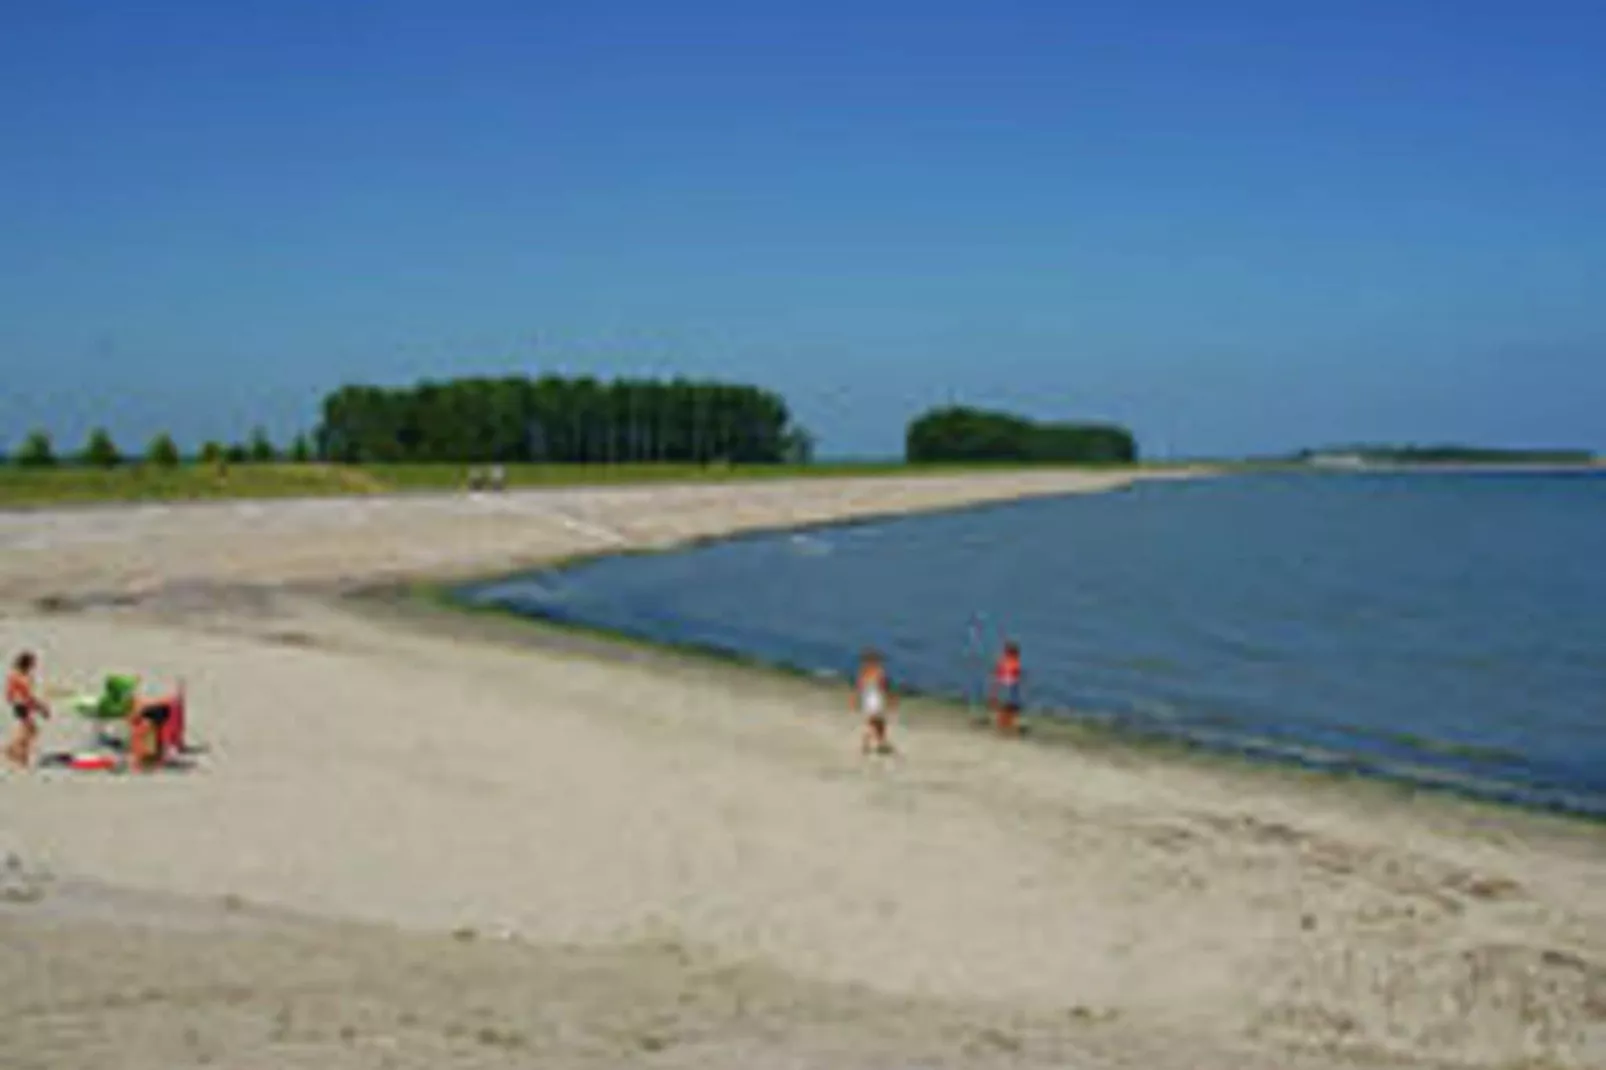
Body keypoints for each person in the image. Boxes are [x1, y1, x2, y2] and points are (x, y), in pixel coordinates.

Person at [5, 651, 51, 768]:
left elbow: (11, 693)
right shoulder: (22, 677)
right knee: (28, 730)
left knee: (28, 730)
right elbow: (26, 695)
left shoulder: (16, 675)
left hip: (20, 704)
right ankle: (18, 755)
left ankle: (14, 752)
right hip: (22, 704)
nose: (34, 666)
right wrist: (40, 707)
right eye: (32, 663)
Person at [852, 648, 896, 755]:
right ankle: (871, 744)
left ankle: (880, 744)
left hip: (867, 698)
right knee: (877, 722)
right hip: (875, 698)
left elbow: (859, 687)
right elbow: (884, 686)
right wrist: (891, 698)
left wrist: (855, 699)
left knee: (876, 722)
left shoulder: (863, 672)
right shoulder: (879, 672)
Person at [989, 640, 1024, 735]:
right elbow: (1016, 678)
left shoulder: (1005, 662)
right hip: (1009, 688)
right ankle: (1006, 728)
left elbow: (997, 677)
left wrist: (993, 693)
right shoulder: (1014, 663)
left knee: (1006, 710)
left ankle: (1004, 727)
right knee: (1009, 710)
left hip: (1005, 688)